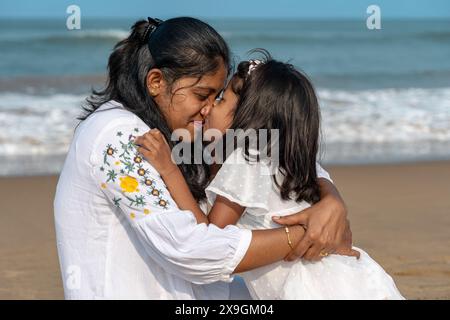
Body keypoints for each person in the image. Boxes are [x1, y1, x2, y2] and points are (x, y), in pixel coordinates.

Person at [54, 17, 354, 299]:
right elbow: (189, 249)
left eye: (217, 97)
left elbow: (281, 158)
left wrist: (331, 201)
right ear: (156, 81)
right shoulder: (121, 136)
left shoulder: (175, 130)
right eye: (202, 95)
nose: (209, 109)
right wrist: (303, 233)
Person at [137, 55, 405, 299]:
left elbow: (208, 235)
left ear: (246, 118)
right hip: (347, 278)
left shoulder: (246, 161)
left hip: (312, 288)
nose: (208, 109)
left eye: (220, 100)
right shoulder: (275, 159)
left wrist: (169, 170)